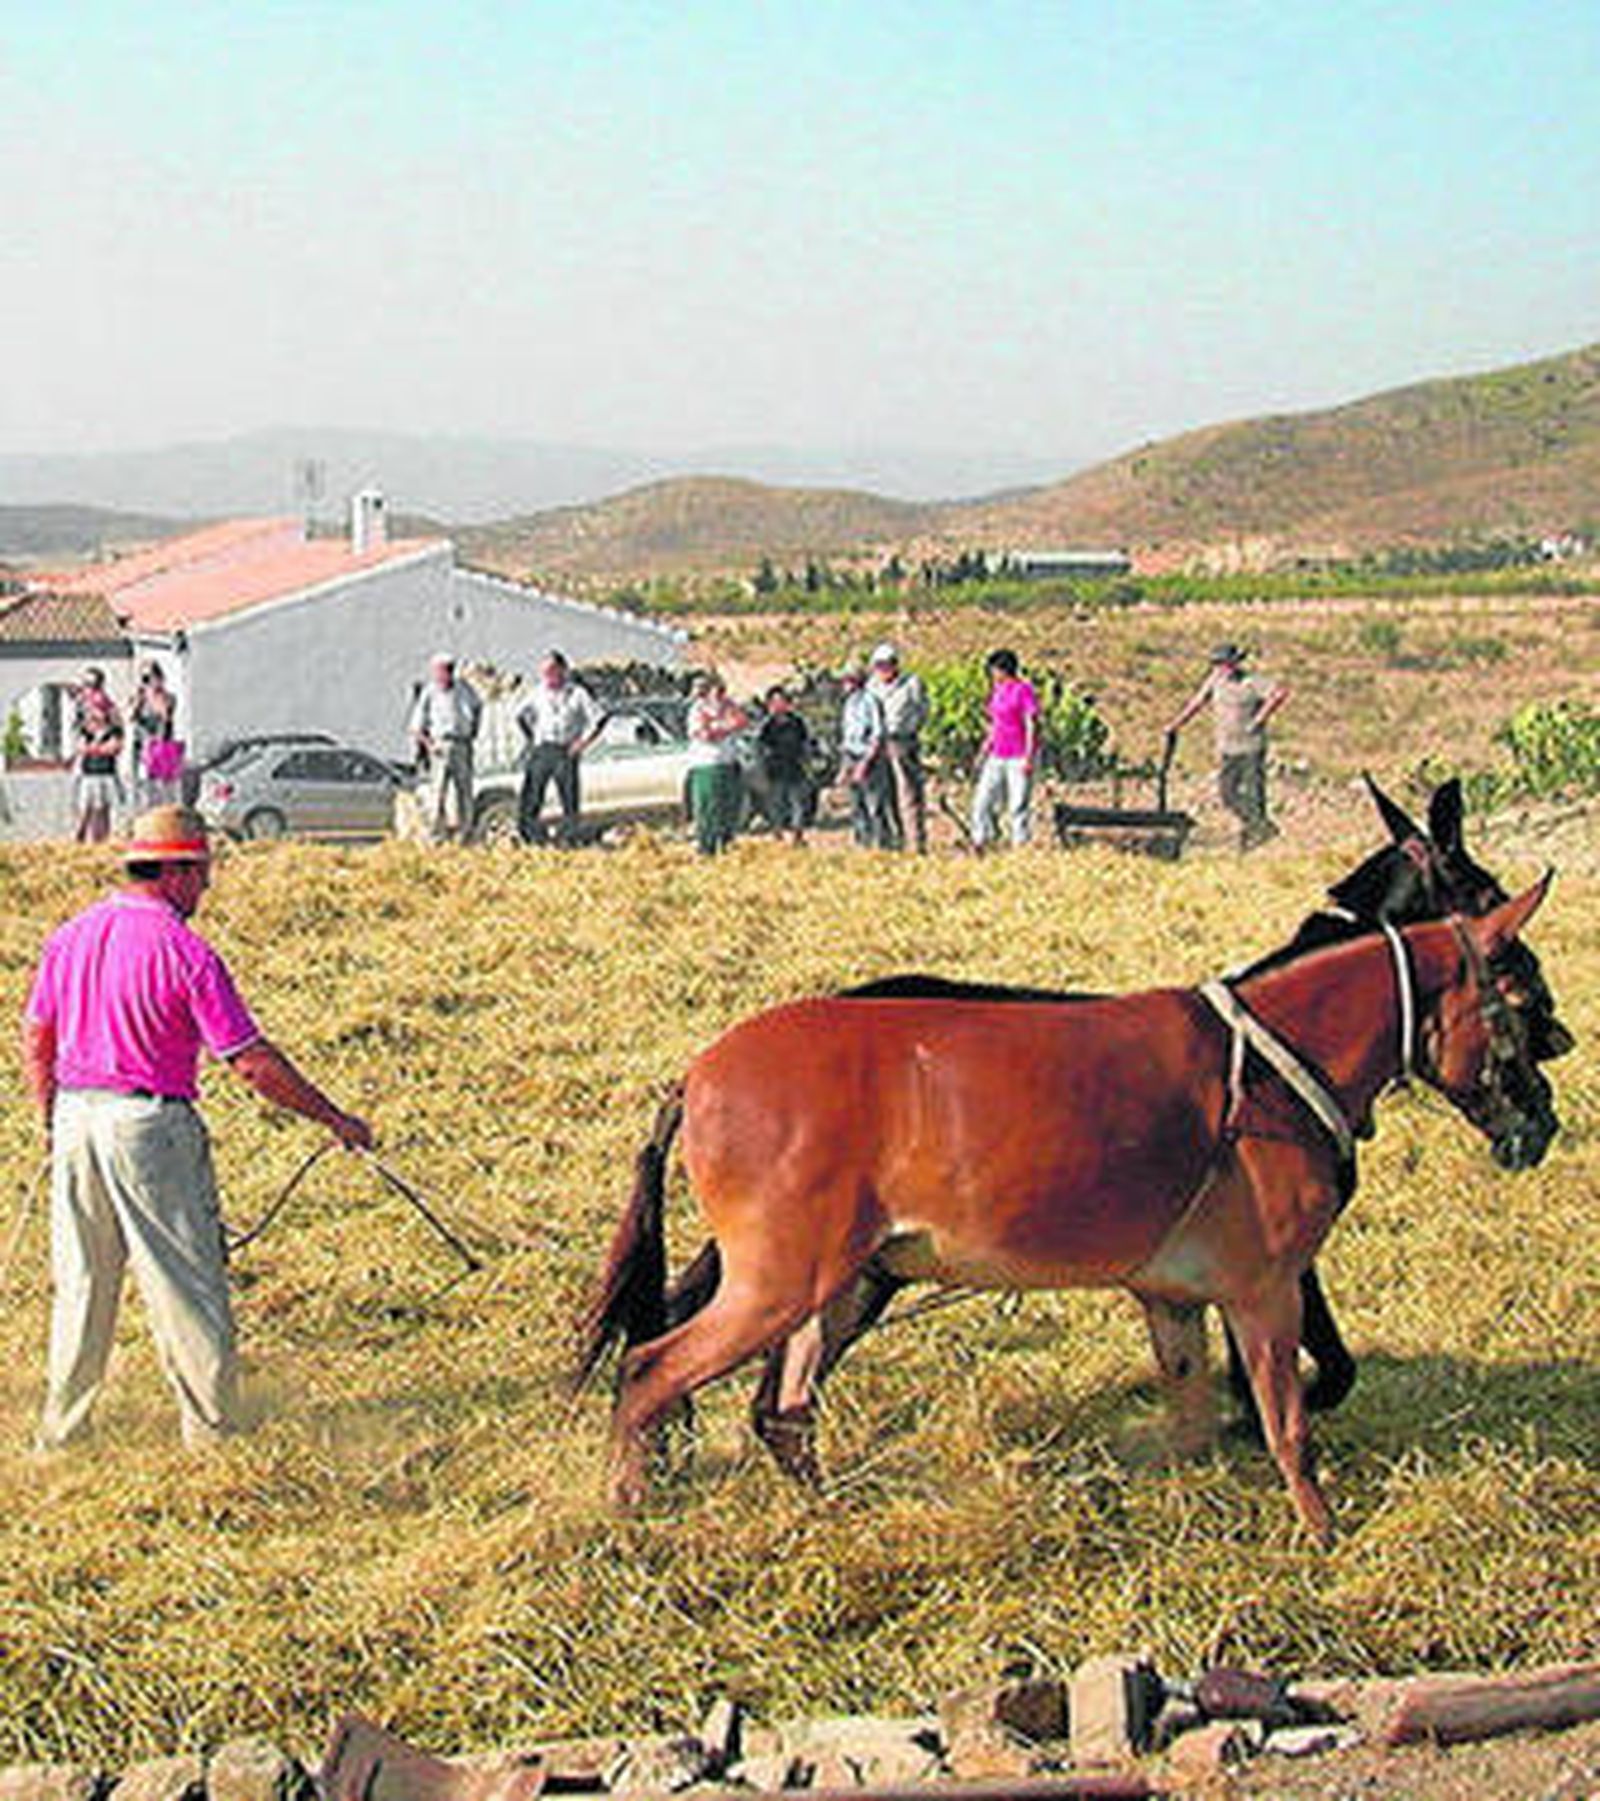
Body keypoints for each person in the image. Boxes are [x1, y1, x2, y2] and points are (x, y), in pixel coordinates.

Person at [20, 804, 374, 1452]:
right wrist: (334, 1118)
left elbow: (37, 1033)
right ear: (177, 871)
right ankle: (213, 1436)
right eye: (203, 871)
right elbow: (250, 1062)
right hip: (147, 1125)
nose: (207, 887)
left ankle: (61, 1436)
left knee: (82, 1285)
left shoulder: (69, 935)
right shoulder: (185, 951)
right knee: (184, 1280)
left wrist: (49, 1116)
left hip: (76, 1116)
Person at [1167, 643, 1289, 850]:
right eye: (1218, 664)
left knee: (1254, 795)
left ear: (1235, 663)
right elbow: (1197, 703)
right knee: (1227, 793)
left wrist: (1260, 718)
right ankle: (1261, 827)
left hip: (1251, 747)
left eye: (1225, 664)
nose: (1222, 668)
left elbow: (1279, 693)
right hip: (1227, 748)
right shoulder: (1214, 681)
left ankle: (1254, 838)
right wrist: (1176, 724)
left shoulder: (1251, 682)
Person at [515, 651, 604, 845]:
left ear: (562, 670)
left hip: (565, 749)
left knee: (569, 797)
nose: (548, 676)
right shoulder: (537, 692)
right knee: (532, 795)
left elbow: (598, 718)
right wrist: (530, 738)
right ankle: (532, 838)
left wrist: (583, 742)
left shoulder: (577, 693)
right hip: (543, 747)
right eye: (544, 672)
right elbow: (520, 715)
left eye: (552, 671)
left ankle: (570, 838)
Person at [970, 648, 1041, 849]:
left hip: (1018, 755)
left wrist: (1029, 755)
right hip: (997, 754)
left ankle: (1020, 844)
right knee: (982, 799)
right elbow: (995, 724)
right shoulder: (997, 691)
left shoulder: (1023, 690)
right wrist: (984, 749)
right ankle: (982, 840)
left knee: (1018, 804)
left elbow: (1031, 723)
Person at [408, 653, 482, 843]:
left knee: (464, 791)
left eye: (449, 669)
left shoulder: (464, 689)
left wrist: (473, 731)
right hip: (440, 744)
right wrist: (429, 745)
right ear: (435, 671)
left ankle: (466, 834)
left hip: (462, 744)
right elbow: (416, 727)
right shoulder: (429, 693)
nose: (446, 673)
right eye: (442, 670)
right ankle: (436, 836)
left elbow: (478, 708)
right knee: (438, 792)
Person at [868, 643, 929, 853]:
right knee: (883, 795)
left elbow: (922, 710)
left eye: (888, 664)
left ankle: (915, 844)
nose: (884, 669)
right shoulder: (871, 686)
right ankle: (890, 842)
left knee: (909, 794)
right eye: (879, 665)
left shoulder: (911, 684)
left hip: (902, 742)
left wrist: (910, 730)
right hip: (877, 744)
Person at [685, 672, 748, 856]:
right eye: (716, 691)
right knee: (707, 808)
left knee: (729, 807)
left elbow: (741, 721)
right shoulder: (697, 710)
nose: (720, 695)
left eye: (722, 691)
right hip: (706, 765)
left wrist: (720, 726)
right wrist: (725, 727)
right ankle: (706, 847)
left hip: (729, 762)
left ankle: (727, 843)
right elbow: (704, 735)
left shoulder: (730, 706)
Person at [836, 659, 891, 849]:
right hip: (852, 756)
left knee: (874, 805)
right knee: (856, 805)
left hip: (869, 759)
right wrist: (845, 767)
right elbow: (846, 738)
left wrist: (865, 763)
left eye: (847, 680)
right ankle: (862, 843)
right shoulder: (848, 704)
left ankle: (881, 844)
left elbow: (877, 735)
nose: (844, 684)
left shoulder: (870, 702)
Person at [755, 686, 813, 846]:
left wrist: (808, 763)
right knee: (776, 805)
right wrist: (762, 768)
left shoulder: (798, 721)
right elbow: (759, 747)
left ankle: (797, 835)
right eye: (774, 702)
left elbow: (806, 742)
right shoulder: (767, 725)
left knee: (798, 804)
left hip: (796, 767)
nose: (778, 705)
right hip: (775, 769)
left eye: (781, 701)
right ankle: (777, 835)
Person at [72, 668, 124, 844]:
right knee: (84, 813)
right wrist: (98, 747)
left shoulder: (111, 719)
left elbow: (115, 747)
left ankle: (100, 847)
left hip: (105, 772)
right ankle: (80, 846)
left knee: (102, 814)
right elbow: (80, 747)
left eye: (93, 685)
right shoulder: (83, 720)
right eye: (87, 685)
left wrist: (93, 747)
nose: (90, 690)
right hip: (88, 773)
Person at [130, 661, 182, 806]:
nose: (146, 681)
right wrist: (140, 698)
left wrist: (155, 693)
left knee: (164, 790)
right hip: (142, 748)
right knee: (143, 789)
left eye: (148, 677)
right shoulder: (139, 698)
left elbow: (165, 716)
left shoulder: (167, 697)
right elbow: (131, 717)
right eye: (143, 678)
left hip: (161, 748)